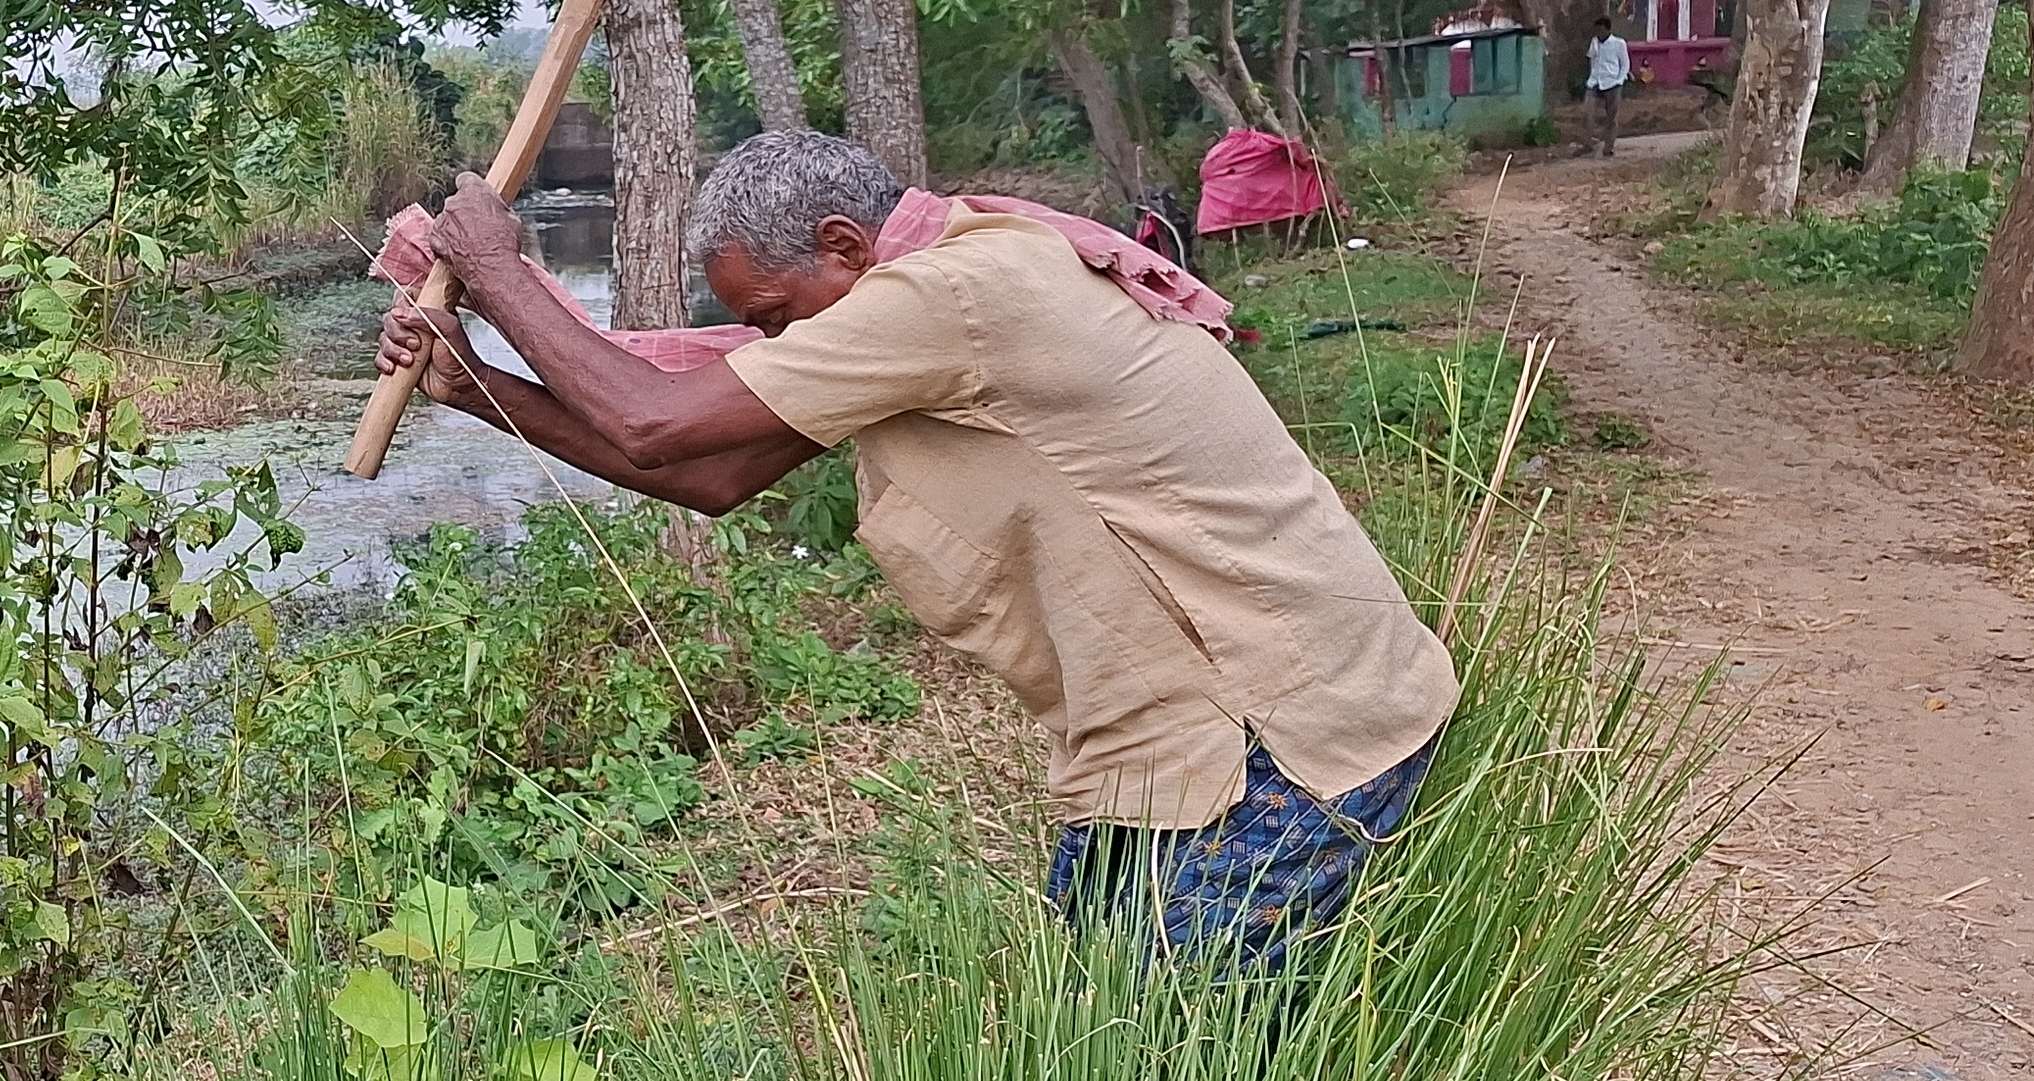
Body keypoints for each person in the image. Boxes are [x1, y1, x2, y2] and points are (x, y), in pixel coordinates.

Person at [375, 131, 1458, 967]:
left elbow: (656, 426)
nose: (771, 346)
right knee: (1102, 1014)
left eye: (773, 313)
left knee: (1176, 1063)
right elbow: (711, 474)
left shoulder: (953, 294)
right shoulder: (933, 291)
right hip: (1185, 733)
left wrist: (497, 271)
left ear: (847, 246)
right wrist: (473, 384)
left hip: (1278, 728)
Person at [1582, 17, 1632, 157]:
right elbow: (1592, 59)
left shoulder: (1618, 43)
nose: (1598, 33)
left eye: (1601, 30)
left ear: (1607, 29)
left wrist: (1620, 80)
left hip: (1612, 83)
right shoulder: (1594, 42)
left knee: (1612, 117)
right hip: (1595, 82)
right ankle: (1588, 143)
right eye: (1596, 30)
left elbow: (1625, 64)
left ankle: (1608, 147)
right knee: (1588, 113)